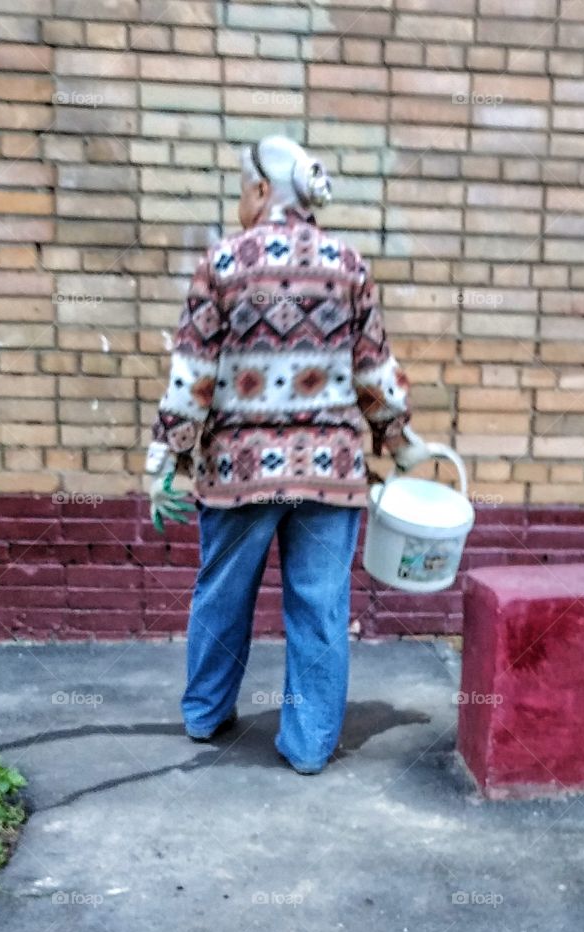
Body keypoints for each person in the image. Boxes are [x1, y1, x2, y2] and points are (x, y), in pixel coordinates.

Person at [143, 134, 431, 775]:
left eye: (241, 190)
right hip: (329, 472)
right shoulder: (347, 265)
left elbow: (192, 375)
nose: (240, 203)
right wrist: (398, 440)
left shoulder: (222, 264)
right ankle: (308, 745)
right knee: (319, 607)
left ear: (261, 189)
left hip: (238, 472)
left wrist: (164, 458)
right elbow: (374, 371)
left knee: (222, 596)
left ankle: (206, 714)